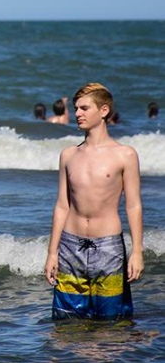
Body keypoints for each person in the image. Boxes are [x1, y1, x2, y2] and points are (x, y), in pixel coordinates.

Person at [44, 83, 143, 320]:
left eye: (84, 108)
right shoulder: (68, 154)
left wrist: (137, 251)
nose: (77, 113)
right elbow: (62, 205)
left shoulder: (125, 154)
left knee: (111, 323)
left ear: (104, 111)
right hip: (70, 245)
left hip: (108, 247)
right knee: (65, 323)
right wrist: (52, 252)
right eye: (76, 108)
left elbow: (133, 205)